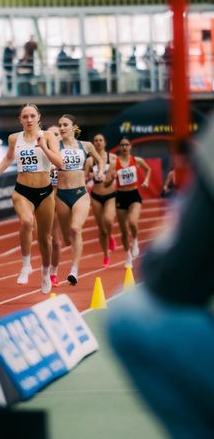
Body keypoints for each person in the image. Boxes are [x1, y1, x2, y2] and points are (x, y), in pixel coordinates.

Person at [107, 115, 214, 438]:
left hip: (173, 251)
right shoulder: (112, 162)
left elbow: (173, 277)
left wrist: (175, 224)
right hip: (123, 199)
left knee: (132, 312)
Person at [0, 103, 63, 294]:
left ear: (39, 117)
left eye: (32, 116)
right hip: (22, 191)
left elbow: (60, 163)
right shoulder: (14, 138)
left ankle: (45, 274)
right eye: (25, 116)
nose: (29, 120)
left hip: (45, 192)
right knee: (27, 222)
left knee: (45, 238)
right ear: (20, 119)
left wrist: (43, 146)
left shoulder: (49, 136)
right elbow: (8, 158)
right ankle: (26, 265)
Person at [55, 114, 104, 285]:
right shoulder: (55, 145)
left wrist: (100, 171)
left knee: (76, 229)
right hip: (61, 195)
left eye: (65, 125)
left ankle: (74, 271)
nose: (61, 128)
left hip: (80, 194)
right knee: (67, 239)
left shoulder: (86, 145)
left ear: (73, 127)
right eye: (59, 125)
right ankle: (70, 248)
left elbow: (99, 160)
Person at [106, 137, 151, 268]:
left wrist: (146, 180)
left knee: (132, 221)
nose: (124, 147)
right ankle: (128, 256)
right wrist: (111, 178)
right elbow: (106, 182)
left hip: (134, 195)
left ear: (130, 146)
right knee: (124, 231)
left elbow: (148, 169)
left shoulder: (136, 160)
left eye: (127, 145)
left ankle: (135, 240)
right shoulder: (115, 163)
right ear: (120, 147)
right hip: (120, 196)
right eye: (122, 145)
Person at [84, 133, 117, 267]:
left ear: (105, 143)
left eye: (100, 140)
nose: (98, 142)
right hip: (96, 195)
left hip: (110, 195)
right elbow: (85, 177)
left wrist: (113, 176)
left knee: (108, 220)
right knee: (101, 228)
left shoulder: (113, 158)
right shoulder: (90, 161)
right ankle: (106, 255)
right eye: (95, 140)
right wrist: (90, 175)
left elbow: (119, 174)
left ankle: (110, 237)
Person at [47, 125, 65, 288]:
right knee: (45, 239)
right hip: (44, 198)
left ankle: (53, 272)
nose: (53, 136)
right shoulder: (41, 152)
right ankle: (46, 269)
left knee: (57, 242)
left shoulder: (67, 154)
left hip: (61, 199)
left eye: (56, 134)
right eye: (51, 133)